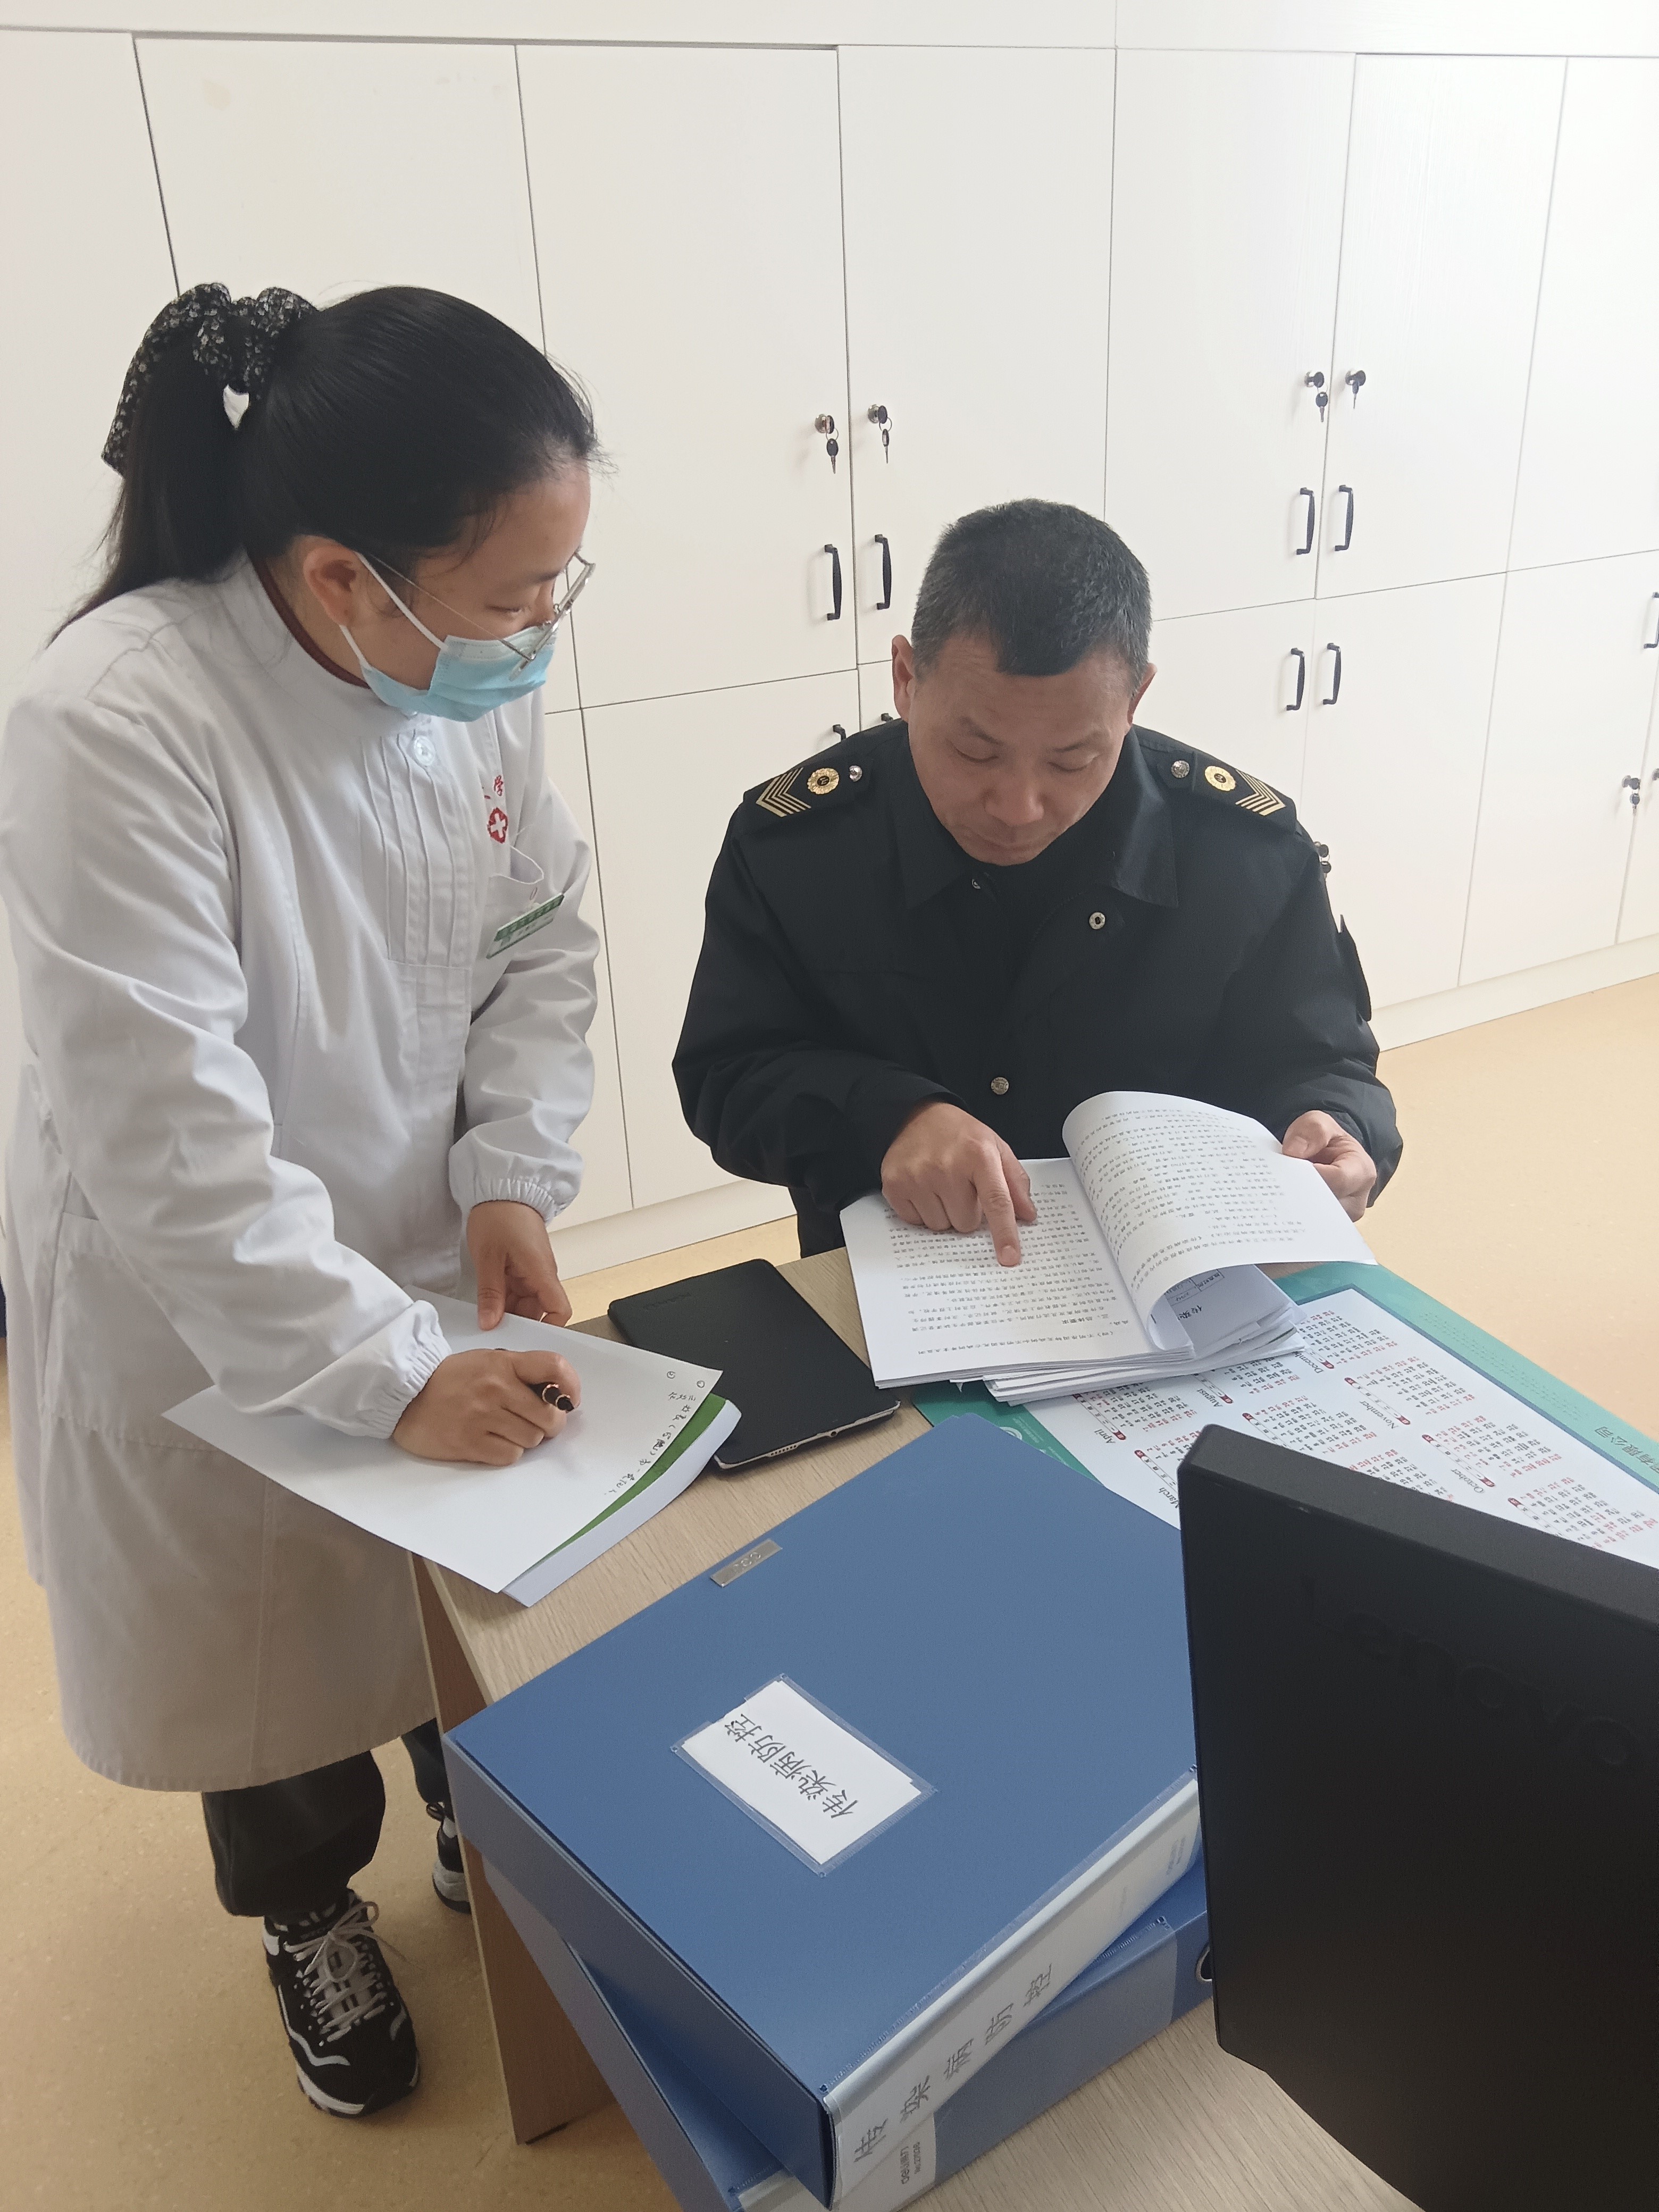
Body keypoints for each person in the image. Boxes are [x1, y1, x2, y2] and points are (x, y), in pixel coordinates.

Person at [0, 282, 602, 2118]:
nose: (539, 634)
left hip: (413, 1228)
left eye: (559, 587)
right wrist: (375, 1366)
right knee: (259, 1643)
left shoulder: (448, 680)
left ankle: (465, 1801)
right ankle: (304, 1906)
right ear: (346, 577)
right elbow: (166, 1128)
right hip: (204, 1288)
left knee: (437, 1581)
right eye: (515, 597)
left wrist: (510, 1172)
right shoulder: (118, 720)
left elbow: (540, 938)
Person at [675, 499, 1400, 1260]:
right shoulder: (799, 847)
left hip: (1172, 1284)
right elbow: (726, 1074)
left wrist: (1338, 1126)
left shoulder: (1243, 852)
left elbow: (1322, 1060)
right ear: (906, 678)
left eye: (1071, 760)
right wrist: (885, 1118)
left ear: (1135, 701)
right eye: (976, 752)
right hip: (898, 1272)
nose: (1018, 808)